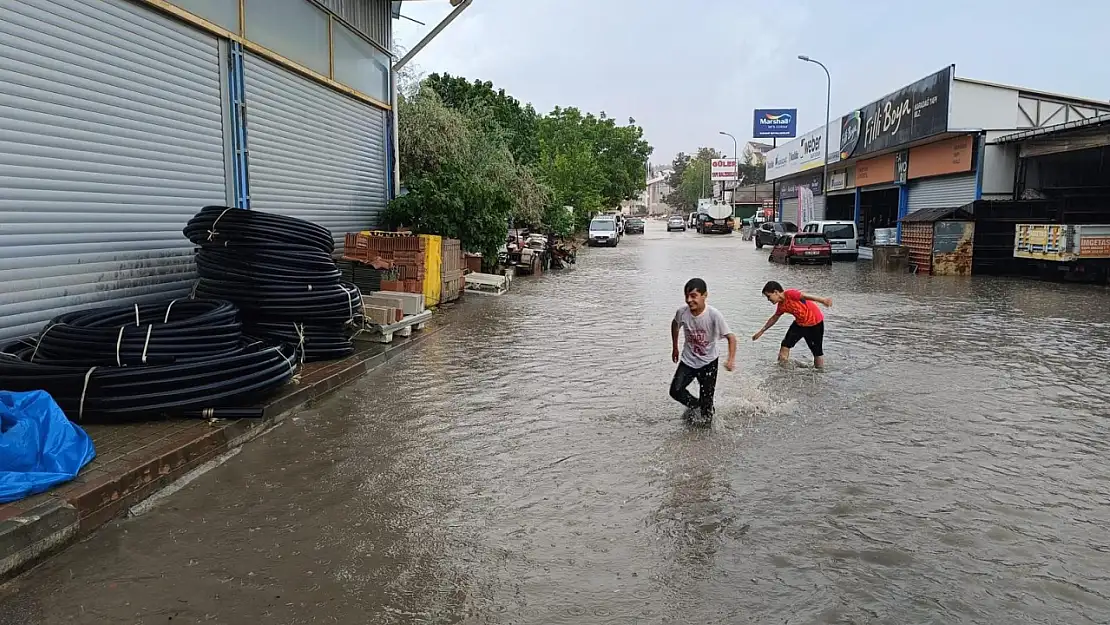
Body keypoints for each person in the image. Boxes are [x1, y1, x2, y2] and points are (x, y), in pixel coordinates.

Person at [670, 278, 737, 424]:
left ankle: (705, 437)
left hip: (709, 362)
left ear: (704, 295)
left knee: (707, 408)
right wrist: (675, 347)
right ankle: (695, 406)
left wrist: (730, 359)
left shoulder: (714, 315)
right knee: (675, 391)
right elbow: (675, 324)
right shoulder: (682, 312)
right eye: (686, 296)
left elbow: (731, 337)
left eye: (693, 296)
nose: (689, 300)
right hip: (688, 360)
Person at [752, 281, 831, 368]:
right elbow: (774, 318)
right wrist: (761, 331)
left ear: (776, 292)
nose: (768, 299)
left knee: (817, 352)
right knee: (785, 345)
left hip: (815, 323)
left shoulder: (790, 294)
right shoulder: (781, 306)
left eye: (768, 296)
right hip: (800, 324)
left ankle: (819, 374)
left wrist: (823, 300)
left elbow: (805, 296)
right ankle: (782, 371)